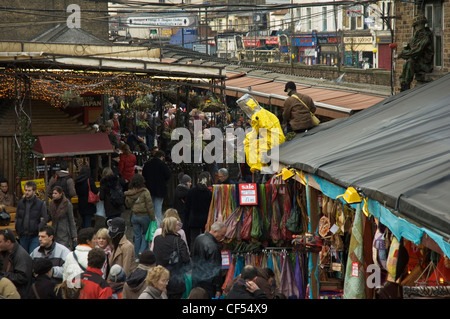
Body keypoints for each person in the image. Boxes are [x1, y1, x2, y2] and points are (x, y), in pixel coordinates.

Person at [153, 217, 191, 299]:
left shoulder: (157, 239)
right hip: (175, 280)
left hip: (160, 278)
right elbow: (186, 260)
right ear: (173, 227)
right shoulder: (179, 241)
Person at [398, 14, 434, 91]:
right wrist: (406, 48)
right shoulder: (417, 36)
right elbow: (411, 47)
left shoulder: (425, 36)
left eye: (417, 26)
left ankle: (406, 84)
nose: (416, 28)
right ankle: (403, 83)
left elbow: (416, 51)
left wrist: (403, 53)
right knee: (408, 63)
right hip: (419, 63)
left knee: (410, 62)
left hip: (425, 65)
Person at [190, 221, 226, 299]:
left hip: (196, 278)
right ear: (215, 231)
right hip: (208, 283)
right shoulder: (214, 247)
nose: (222, 238)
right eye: (222, 235)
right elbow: (216, 270)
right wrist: (218, 289)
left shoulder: (199, 238)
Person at [124, 174, 155, 257]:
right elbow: (149, 206)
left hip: (134, 216)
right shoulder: (145, 192)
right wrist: (153, 218)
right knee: (145, 234)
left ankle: (136, 256)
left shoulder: (130, 192)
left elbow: (127, 204)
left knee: (137, 236)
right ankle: (142, 251)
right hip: (144, 216)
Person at [15, 180, 48, 253]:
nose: (26, 192)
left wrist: (38, 229)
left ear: (34, 191)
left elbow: (44, 219)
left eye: (29, 190)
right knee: (23, 256)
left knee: (33, 255)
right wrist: (18, 228)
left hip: (35, 236)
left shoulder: (40, 204)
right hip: (23, 235)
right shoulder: (21, 203)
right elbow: (17, 217)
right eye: (26, 190)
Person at [0, 228, 33, 298]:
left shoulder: (21, 256)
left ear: (8, 242)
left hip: (18, 294)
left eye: (0, 242)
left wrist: (3, 275)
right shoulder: (4, 252)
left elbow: (22, 277)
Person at [142, 150, 171, 227]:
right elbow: (168, 175)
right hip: (160, 190)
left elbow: (143, 175)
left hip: (149, 189)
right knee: (158, 209)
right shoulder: (162, 165)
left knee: (150, 208)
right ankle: (158, 227)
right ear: (162, 157)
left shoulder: (147, 164)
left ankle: (150, 225)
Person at [183, 171, 213, 248]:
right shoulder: (209, 193)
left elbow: (187, 207)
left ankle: (194, 255)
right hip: (205, 219)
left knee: (194, 239)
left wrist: (187, 219)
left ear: (198, 180)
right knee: (206, 238)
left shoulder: (191, 191)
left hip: (193, 219)